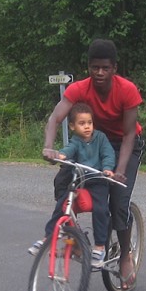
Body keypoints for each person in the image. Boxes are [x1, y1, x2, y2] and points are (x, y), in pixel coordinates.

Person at [41, 39, 145, 290]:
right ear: (88, 67)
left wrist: (119, 170)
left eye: (105, 68)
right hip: (92, 142)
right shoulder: (78, 89)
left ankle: (125, 255)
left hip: (124, 144)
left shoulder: (127, 90)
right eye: (94, 67)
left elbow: (129, 134)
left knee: (118, 201)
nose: (99, 72)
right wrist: (48, 146)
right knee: (63, 181)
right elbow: (56, 118)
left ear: (114, 69)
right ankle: (73, 236)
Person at [28, 102, 116, 269]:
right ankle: (48, 236)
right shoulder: (76, 141)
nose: (87, 127)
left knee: (100, 209)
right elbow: (68, 150)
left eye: (89, 123)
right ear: (72, 126)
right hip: (80, 179)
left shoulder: (100, 138)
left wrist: (107, 169)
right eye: (82, 124)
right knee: (63, 203)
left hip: (98, 179)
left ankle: (99, 247)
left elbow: (108, 155)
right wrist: (60, 156)